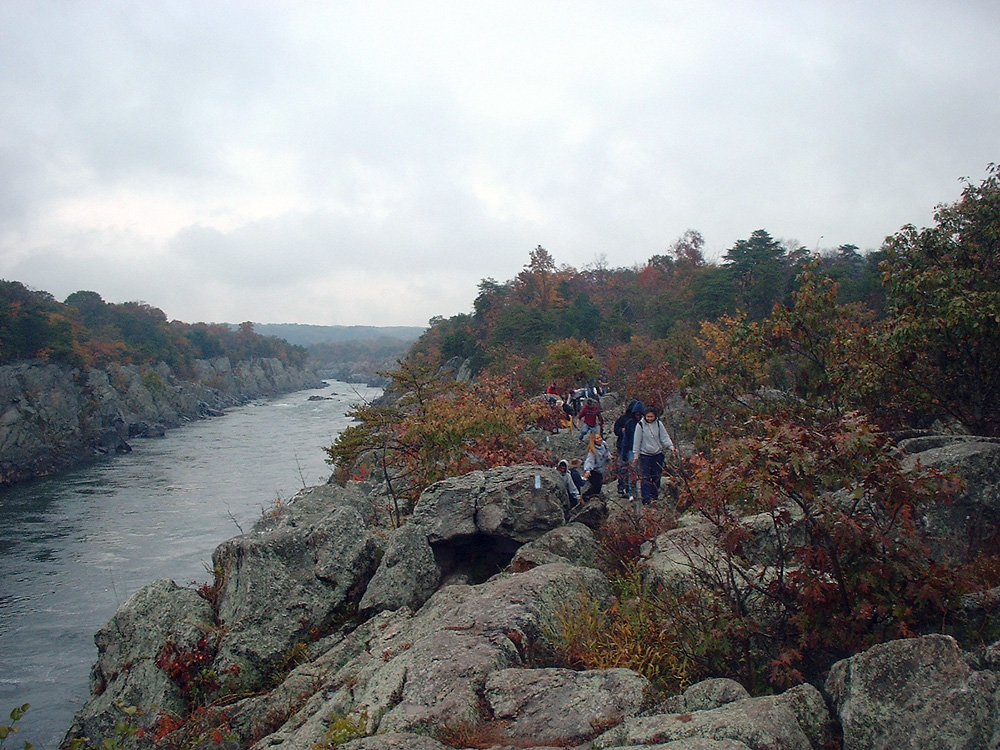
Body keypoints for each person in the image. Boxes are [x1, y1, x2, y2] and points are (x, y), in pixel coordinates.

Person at [631, 406, 678, 505]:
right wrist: (636, 454)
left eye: (651, 416)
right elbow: (637, 441)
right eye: (648, 416)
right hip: (645, 455)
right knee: (646, 477)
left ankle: (654, 496)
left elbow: (664, 437)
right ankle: (646, 499)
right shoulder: (640, 425)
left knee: (657, 476)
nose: (650, 418)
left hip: (657, 454)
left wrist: (671, 447)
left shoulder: (658, 424)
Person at [613, 399, 644, 498]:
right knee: (624, 468)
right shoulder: (624, 419)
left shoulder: (642, 422)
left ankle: (633, 490)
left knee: (634, 470)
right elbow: (616, 430)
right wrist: (621, 431)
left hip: (637, 448)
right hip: (623, 446)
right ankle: (622, 487)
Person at [582, 432, 611, 500]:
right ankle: (586, 496)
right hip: (594, 470)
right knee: (597, 484)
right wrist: (588, 470)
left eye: (600, 437)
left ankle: (595, 496)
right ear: (594, 440)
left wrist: (609, 457)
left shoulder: (604, 445)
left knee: (599, 485)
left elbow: (607, 452)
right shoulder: (593, 451)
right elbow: (589, 461)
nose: (599, 439)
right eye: (597, 438)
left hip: (602, 469)